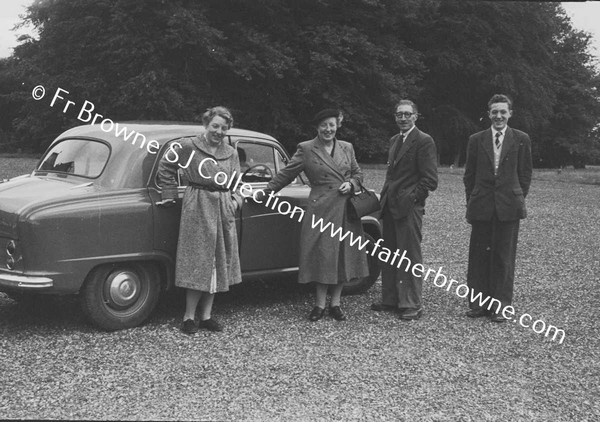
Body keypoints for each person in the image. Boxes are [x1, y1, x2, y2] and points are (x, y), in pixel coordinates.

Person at [264, 108, 369, 321]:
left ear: (337, 125)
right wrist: (265, 192)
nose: (328, 129)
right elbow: (286, 173)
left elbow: (358, 173)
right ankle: (319, 304)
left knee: (342, 255)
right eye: (323, 125)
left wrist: (351, 183)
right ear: (317, 127)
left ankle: (336, 304)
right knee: (322, 255)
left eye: (331, 125)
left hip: (345, 209)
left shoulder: (347, 148)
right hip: (320, 208)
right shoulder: (306, 148)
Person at [157, 106, 243, 334]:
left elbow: (238, 182)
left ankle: (206, 316)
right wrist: (169, 194)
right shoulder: (189, 146)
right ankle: (188, 317)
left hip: (222, 208)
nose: (219, 131)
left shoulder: (231, 153)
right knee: (197, 262)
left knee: (217, 262)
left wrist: (235, 201)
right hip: (197, 205)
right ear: (206, 125)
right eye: (215, 126)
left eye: (224, 128)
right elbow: (166, 166)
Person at [463, 94, 532, 322]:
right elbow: (469, 175)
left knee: (504, 258)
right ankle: (479, 304)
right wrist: (472, 200)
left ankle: (501, 306)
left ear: (510, 113)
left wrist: (514, 198)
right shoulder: (476, 139)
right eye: (495, 112)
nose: (499, 116)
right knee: (479, 257)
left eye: (503, 112)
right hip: (481, 204)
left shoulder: (521, 139)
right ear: (489, 114)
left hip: (508, 207)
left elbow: (524, 175)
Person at [373, 100, 438, 320]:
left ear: (415, 116)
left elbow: (430, 180)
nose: (402, 118)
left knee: (409, 255)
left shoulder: (423, 140)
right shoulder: (394, 140)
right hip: (390, 206)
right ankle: (391, 299)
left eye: (407, 114)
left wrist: (412, 199)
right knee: (389, 253)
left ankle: (412, 303)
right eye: (399, 114)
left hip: (408, 208)